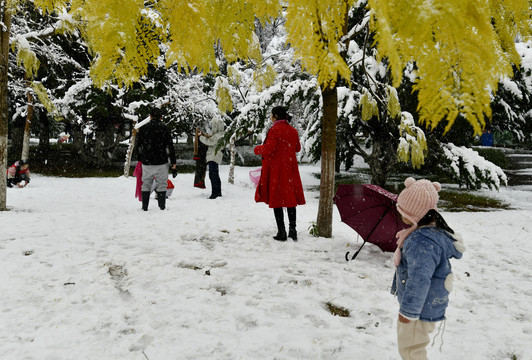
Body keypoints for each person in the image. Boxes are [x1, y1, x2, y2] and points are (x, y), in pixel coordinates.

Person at [391, 177, 465, 360]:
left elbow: (419, 280)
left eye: (403, 210)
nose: (400, 213)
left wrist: (409, 312)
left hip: (419, 310)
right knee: (413, 349)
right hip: (426, 305)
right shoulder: (427, 233)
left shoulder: (421, 242)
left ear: (415, 214)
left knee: (411, 351)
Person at [254, 106, 305, 241]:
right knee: (290, 198)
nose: (270, 117)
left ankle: (281, 232)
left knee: (276, 198)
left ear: (276, 116)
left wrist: (258, 149)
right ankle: (292, 230)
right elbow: (297, 148)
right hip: (290, 169)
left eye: (271, 115)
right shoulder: (292, 130)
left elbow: (270, 148)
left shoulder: (275, 129)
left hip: (277, 169)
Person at [136, 107, 177, 211]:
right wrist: (173, 162)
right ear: (161, 117)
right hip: (161, 161)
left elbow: (138, 146)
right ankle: (162, 206)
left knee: (146, 184)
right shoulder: (165, 128)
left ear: (150, 116)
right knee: (162, 184)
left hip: (147, 161)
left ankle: (144, 207)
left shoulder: (143, 129)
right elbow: (170, 146)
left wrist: (140, 158)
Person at [198, 117, 225, 199]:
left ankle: (214, 193)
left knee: (212, 175)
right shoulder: (221, 135)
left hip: (213, 157)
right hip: (215, 157)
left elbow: (209, 142)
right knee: (216, 175)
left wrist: (200, 137)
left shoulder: (217, 136)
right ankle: (218, 192)